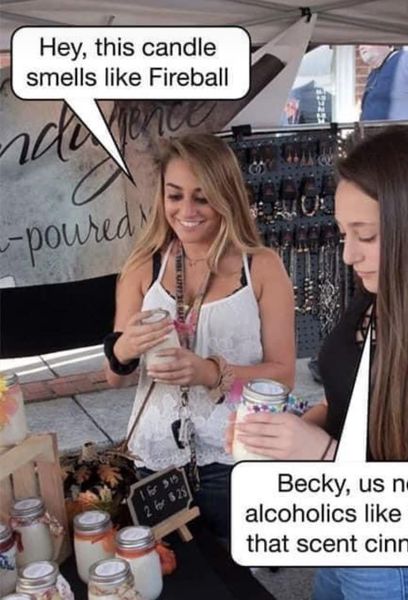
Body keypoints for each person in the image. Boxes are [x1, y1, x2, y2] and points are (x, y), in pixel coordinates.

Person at [229, 126, 408, 599]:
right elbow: (345, 401)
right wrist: (281, 433)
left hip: (405, 568)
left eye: (366, 235)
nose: (348, 254)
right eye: (344, 234)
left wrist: (323, 454)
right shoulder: (374, 300)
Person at [104, 133, 295, 545]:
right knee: (168, 567)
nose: (186, 211)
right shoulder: (143, 266)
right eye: (175, 196)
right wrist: (124, 349)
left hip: (234, 457)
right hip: (156, 460)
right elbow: (115, 377)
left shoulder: (261, 267)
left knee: (234, 569)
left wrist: (210, 373)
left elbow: (283, 376)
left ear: (226, 196)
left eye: (202, 198)